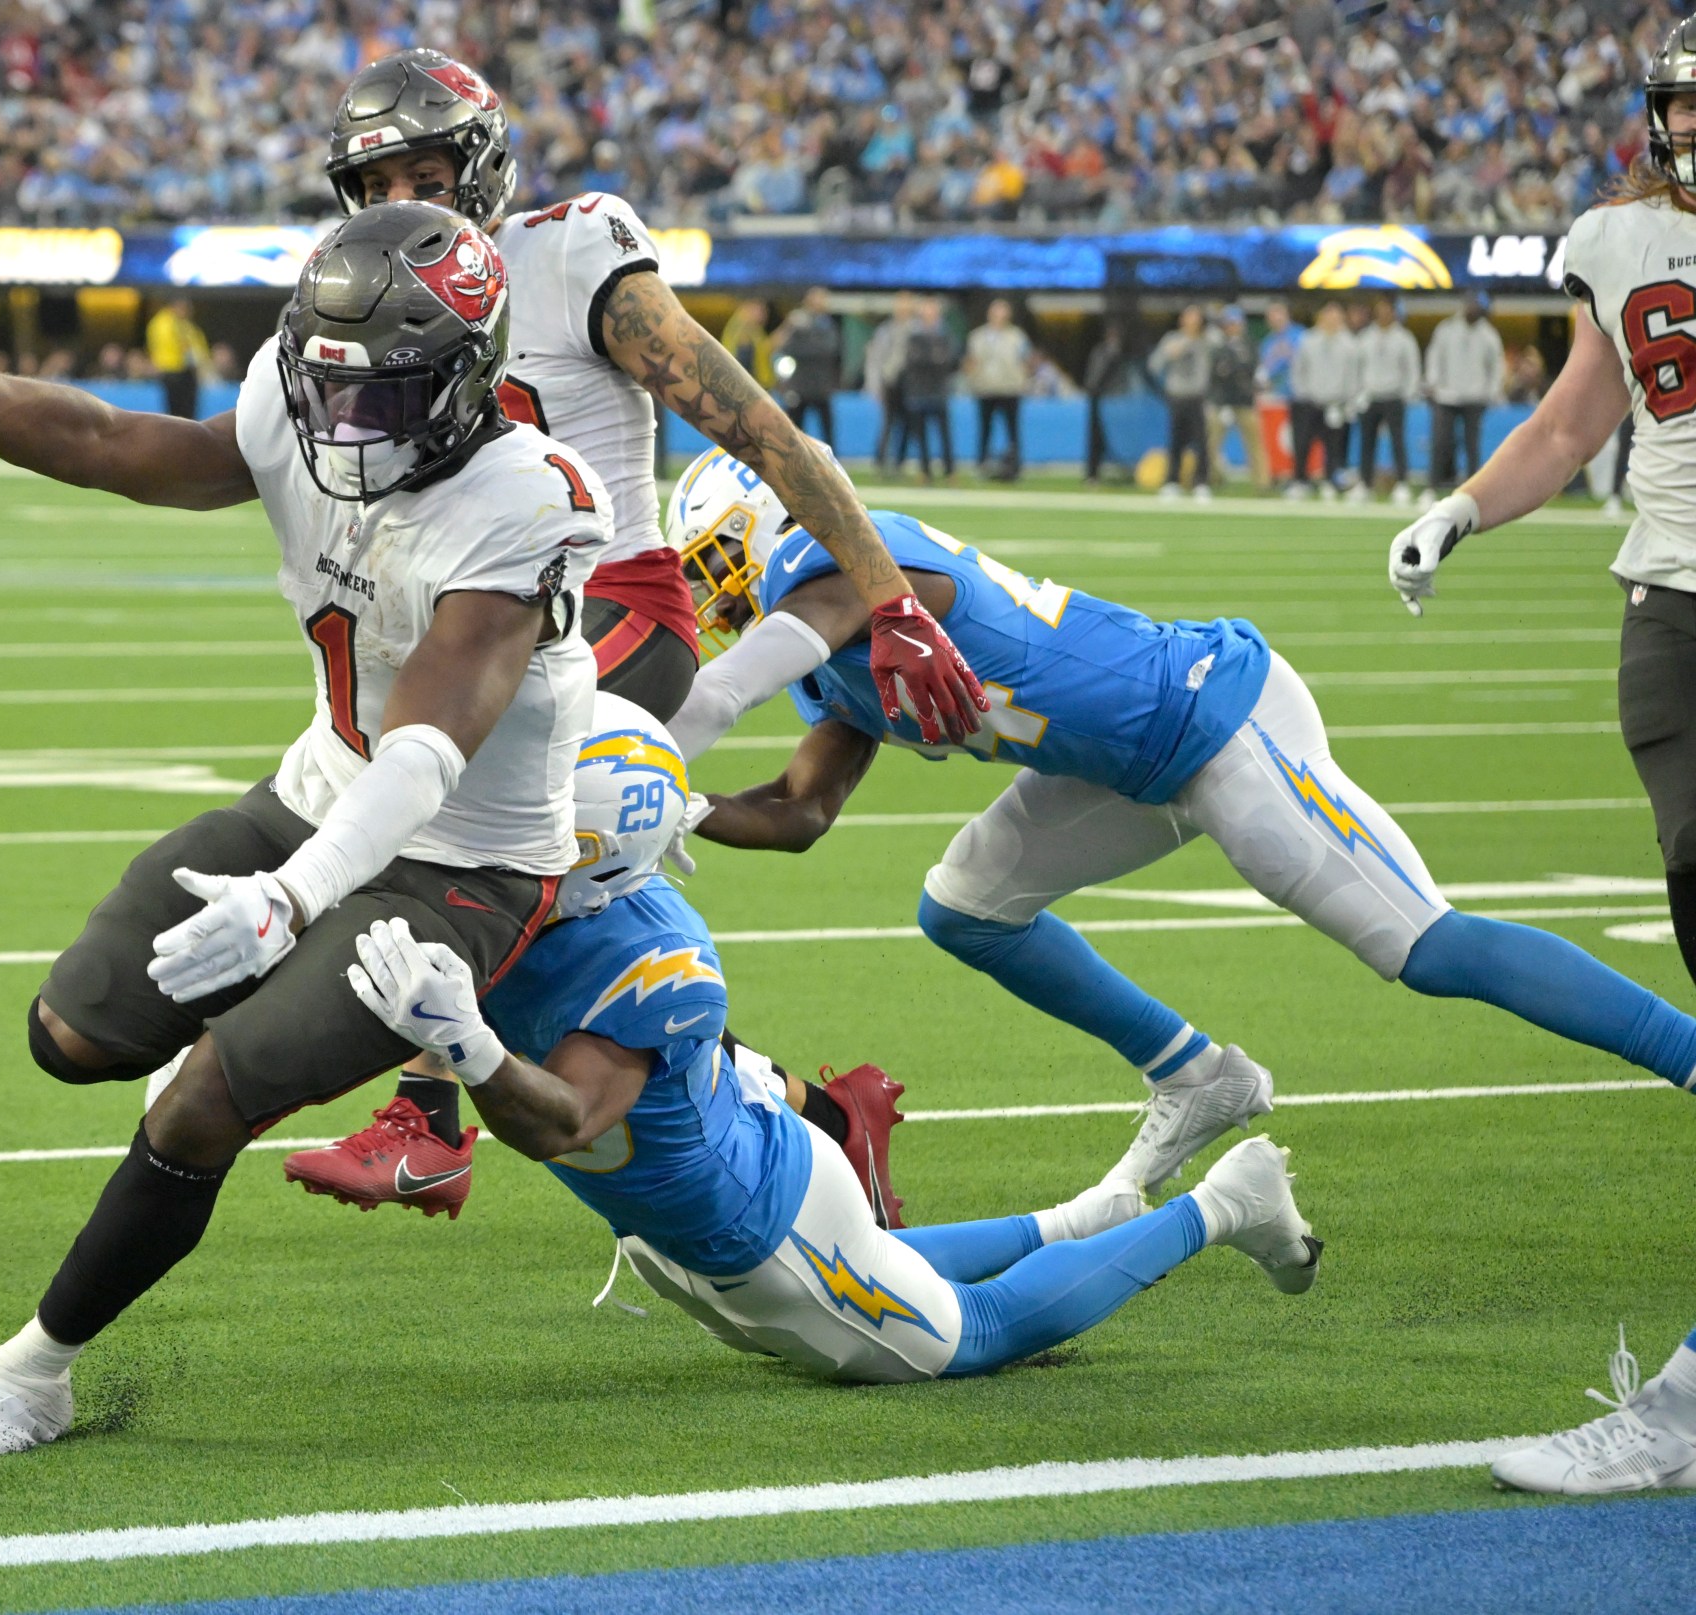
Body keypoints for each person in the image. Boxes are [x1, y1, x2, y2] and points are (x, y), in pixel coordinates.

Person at [0, 205, 616, 1460]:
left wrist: (290, 900)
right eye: (330, 388)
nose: (344, 424)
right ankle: (222, 1041)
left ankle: (35, 1373)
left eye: (382, 396)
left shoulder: (524, 496)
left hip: (460, 867)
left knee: (198, 1109)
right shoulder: (305, 404)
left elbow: (425, 748)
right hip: (314, 792)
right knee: (70, 1033)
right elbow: (114, 441)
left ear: (470, 383)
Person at [280, 48, 985, 1216]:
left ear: (479, 169)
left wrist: (890, 594)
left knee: (431, 817)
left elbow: (758, 427)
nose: (405, 197)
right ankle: (826, 1117)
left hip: (613, 605)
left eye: (427, 173)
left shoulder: (570, 253)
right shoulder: (365, 293)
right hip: (481, 620)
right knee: (553, 949)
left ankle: (427, 1117)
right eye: (381, 181)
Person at [662, 447, 1696, 1204]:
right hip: (1117, 765)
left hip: (1212, 721)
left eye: (713, 562)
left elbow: (722, 693)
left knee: (1424, 946)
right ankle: (1198, 1075)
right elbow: (802, 810)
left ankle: (1687, 1048)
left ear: (769, 524)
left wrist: (632, 761)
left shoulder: (840, 571)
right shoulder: (831, 661)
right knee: (965, 905)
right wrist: (686, 806)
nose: (710, 593)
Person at [350, 698, 1324, 1386]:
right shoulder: (570, 897)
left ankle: (1227, 1203)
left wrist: (465, 1044)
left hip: (764, 1226)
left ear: (591, 847)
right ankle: (1081, 1219)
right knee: (879, 1268)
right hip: (710, 1202)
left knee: (969, 1334)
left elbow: (563, 1122)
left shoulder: (655, 967)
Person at [1448, 25, 1696, 1497]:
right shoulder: (1615, 240)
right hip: (1673, 618)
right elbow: (1569, 422)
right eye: (1686, 103)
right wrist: (1463, 509)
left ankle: (1687, 1406)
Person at [1423, 291, 1505, 491]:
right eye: (1470, 304)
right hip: (1447, 395)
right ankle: (1435, 485)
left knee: (1472, 445)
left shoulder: (1488, 334)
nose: (1472, 309)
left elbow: (1496, 365)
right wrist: (1433, 382)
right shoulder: (1447, 329)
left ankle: (1473, 488)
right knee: (1441, 442)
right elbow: (1435, 356)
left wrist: (1492, 391)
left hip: (1475, 397)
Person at [1353, 296, 1421, 503]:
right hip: (1370, 396)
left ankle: (1402, 483)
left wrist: (1408, 394)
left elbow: (1412, 368)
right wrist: (1358, 393)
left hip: (1394, 395)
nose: (1383, 314)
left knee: (1397, 441)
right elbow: (1357, 367)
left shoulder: (1404, 338)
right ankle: (1365, 483)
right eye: (1379, 310)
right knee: (1367, 442)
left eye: (1386, 310)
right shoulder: (1365, 337)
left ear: (1393, 313)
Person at [1287, 303, 1356, 499]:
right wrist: (1302, 393)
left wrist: (1347, 400)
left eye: (1336, 317)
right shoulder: (1308, 340)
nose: (1332, 321)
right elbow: (1298, 369)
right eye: (1329, 316)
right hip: (1309, 401)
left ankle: (1330, 481)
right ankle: (1300, 481)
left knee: (1333, 446)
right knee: (1302, 444)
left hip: (1334, 403)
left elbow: (1352, 375)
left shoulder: (1348, 343)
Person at [1146, 305, 1213, 500]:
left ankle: (1201, 483)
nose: (1192, 321)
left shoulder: (1206, 340)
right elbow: (1153, 365)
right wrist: (1168, 354)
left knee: (1201, 442)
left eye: (1196, 317)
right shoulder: (1172, 339)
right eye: (1188, 316)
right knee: (1176, 441)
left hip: (1198, 396)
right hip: (1177, 396)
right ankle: (1172, 482)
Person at [962, 298, 1030, 480]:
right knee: (985, 429)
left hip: (1010, 389)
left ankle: (1015, 465)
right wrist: (973, 379)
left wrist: (1022, 380)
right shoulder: (978, 336)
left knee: (1012, 430)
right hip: (986, 389)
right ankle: (982, 463)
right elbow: (970, 362)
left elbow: (1025, 361)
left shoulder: (1017, 336)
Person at [769, 285, 841, 443]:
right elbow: (784, 347)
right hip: (800, 386)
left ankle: (829, 458)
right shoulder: (797, 322)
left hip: (821, 386)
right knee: (794, 431)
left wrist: (805, 346)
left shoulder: (827, 324)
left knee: (827, 430)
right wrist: (790, 326)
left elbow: (830, 349)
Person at [1207, 305, 1266, 491]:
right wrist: (1220, 401)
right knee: (1212, 443)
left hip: (1244, 400)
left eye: (1235, 323)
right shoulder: (1219, 346)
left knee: (1255, 443)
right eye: (1229, 324)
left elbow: (1254, 371)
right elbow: (1215, 375)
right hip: (1222, 401)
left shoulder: (1250, 345)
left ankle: (1262, 483)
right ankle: (1211, 478)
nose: (1232, 327)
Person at [898, 298, 956, 481]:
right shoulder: (914, 336)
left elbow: (949, 360)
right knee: (921, 435)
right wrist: (934, 359)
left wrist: (931, 360)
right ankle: (926, 471)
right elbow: (913, 361)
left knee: (944, 434)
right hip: (919, 391)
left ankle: (950, 471)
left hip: (939, 391)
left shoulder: (945, 334)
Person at [1081, 319, 1131, 484]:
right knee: (1096, 438)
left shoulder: (1117, 354)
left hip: (1110, 401)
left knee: (1104, 438)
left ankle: (1096, 473)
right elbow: (1093, 376)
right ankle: (1093, 473)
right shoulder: (1101, 351)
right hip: (1100, 400)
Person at [864, 296, 910, 473]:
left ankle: (900, 461)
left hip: (909, 383)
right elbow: (876, 358)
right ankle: (881, 460)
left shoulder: (915, 329)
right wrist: (874, 384)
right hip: (889, 381)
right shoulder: (885, 330)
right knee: (887, 423)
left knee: (907, 424)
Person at [144, 295, 207, 420]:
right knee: (176, 412)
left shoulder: (185, 324)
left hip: (184, 371)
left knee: (187, 413)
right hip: (171, 371)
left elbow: (198, 347)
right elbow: (173, 346)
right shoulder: (163, 323)